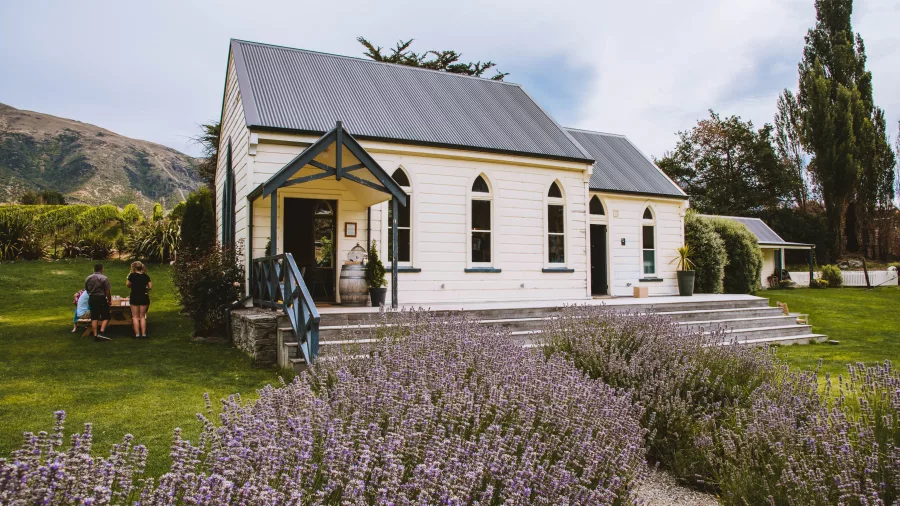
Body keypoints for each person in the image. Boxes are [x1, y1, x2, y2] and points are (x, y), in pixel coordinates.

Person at [85, 263, 112, 341]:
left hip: (92, 298)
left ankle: (95, 334)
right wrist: (109, 300)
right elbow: (107, 291)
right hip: (101, 298)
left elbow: (87, 289)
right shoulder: (104, 278)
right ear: (102, 269)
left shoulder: (88, 278)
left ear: (94, 269)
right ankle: (101, 332)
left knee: (94, 317)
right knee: (106, 316)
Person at [127, 261, 152, 338]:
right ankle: (144, 334)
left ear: (134, 268)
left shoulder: (132, 275)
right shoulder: (146, 276)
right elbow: (150, 287)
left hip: (134, 296)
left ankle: (137, 334)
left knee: (135, 316)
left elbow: (128, 285)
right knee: (142, 316)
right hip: (144, 297)